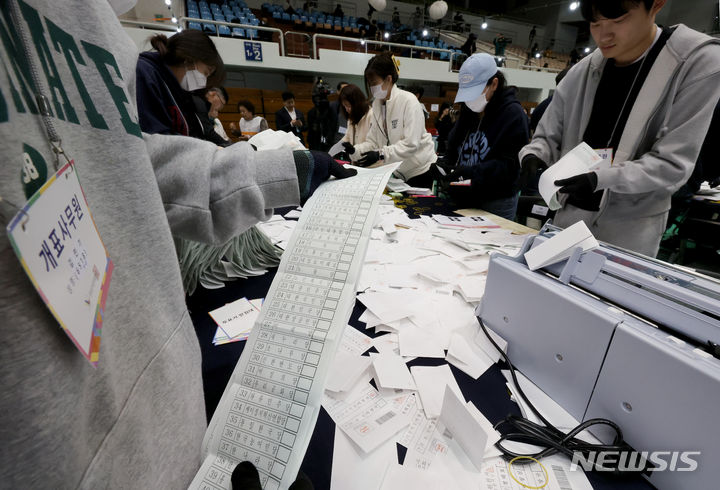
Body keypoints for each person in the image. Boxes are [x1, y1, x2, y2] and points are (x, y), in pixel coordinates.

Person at [0, 0, 356, 488]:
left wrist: (281, 171)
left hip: (167, 398)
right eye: (202, 76)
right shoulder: (148, 73)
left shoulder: (95, 21)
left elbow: (132, 162)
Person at [519, 0, 720, 256]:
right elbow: (548, 134)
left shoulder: (696, 63)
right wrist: (534, 155)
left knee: (607, 294)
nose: (604, 35)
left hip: (629, 234)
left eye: (618, 20)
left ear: (656, 5)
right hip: (567, 222)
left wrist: (600, 179)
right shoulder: (584, 70)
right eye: (595, 23)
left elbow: (672, 165)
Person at [436, 53, 530, 219]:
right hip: (465, 194)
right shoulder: (469, 110)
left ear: (494, 84)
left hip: (496, 200)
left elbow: (509, 167)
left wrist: (471, 172)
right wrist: (444, 165)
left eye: (475, 93)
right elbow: (455, 142)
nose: (470, 101)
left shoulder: (513, 115)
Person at [342, 52, 437, 187]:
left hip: (421, 170)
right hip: (398, 172)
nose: (372, 88)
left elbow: (411, 144)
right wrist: (355, 151)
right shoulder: (377, 105)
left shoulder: (408, 101)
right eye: (369, 84)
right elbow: (373, 141)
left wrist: (381, 154)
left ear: (388, 79)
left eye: (374, 83)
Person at [306, 78, 338, 152]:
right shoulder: (311, 112)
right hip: (313, 142)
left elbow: (333, 127)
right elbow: (311, 129)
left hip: (327, 143)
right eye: (316, 98)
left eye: (319, 98)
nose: (318, 101)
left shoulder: (331, 111)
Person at [338, 83, 373, 148]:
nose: (346, 109)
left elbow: (372, 144)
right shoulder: (351, 117)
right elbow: (347, 137)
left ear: (357, 103)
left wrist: (354, 150)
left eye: (348, 106)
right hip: (354, 157)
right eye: (344, 106)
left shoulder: (371, 115)